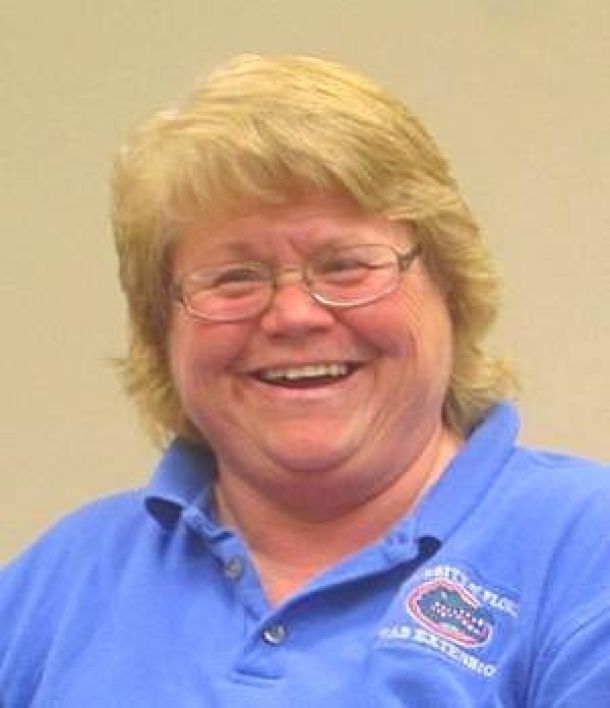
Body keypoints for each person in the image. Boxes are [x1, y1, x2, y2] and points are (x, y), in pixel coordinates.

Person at [1, 54, 609, 707]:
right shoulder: (63, 582)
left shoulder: (582, 551)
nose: (294, 315)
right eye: (233, 278)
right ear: (161, 330)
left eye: (346, 265)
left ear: (451, 290)